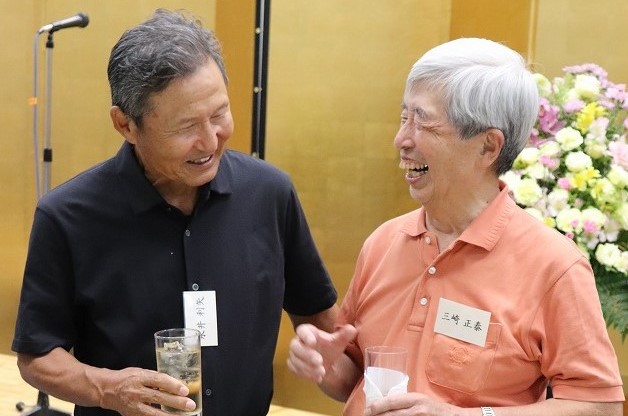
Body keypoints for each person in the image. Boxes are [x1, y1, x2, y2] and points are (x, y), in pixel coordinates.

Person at [12, 9, 338, 416]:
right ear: (125, 125)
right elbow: (37, 355)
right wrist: (109, 389)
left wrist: (327, 352)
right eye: (186, 127)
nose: (210, 141)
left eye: (219, 114)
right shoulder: (67, 216)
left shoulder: (270, 193)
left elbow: (321, 317)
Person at [287, 38, 625, 416]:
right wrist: (327, 364)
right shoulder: (384, 242)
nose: (401, 140)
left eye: (423, 122)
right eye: (404, 117)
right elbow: (358, 378)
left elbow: (600, 406)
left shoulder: (554, 266)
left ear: (488, 147)